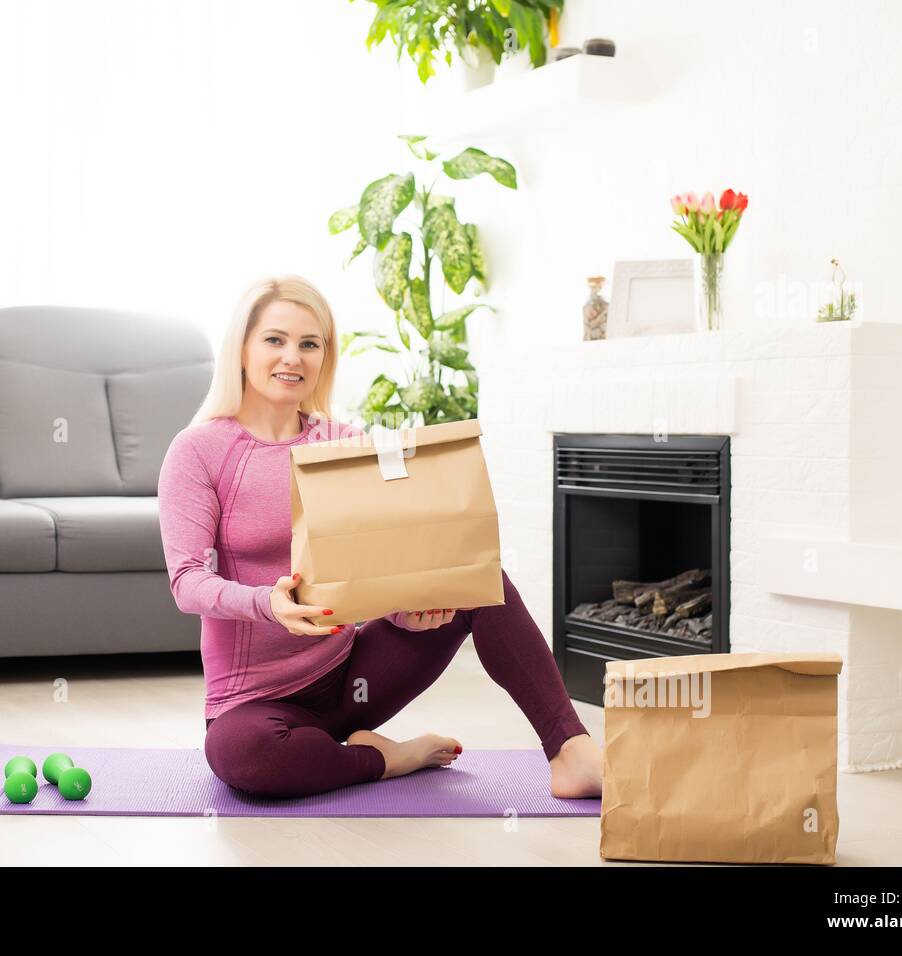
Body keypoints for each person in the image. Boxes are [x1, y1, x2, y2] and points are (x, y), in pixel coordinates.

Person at [157, 274, 603, 799]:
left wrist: (404, 611)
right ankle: (385, 758)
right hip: (258, 703)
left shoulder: (344, 444)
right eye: (274, 340)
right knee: (245, 758)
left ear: (326, 355)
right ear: (242, 349)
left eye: (309, 344)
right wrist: (268, 604)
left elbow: (376, 565)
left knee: (481, 581)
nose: (292, 358)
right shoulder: (199, 451)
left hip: (352, 680)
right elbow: (188, 582)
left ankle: (570, 749)